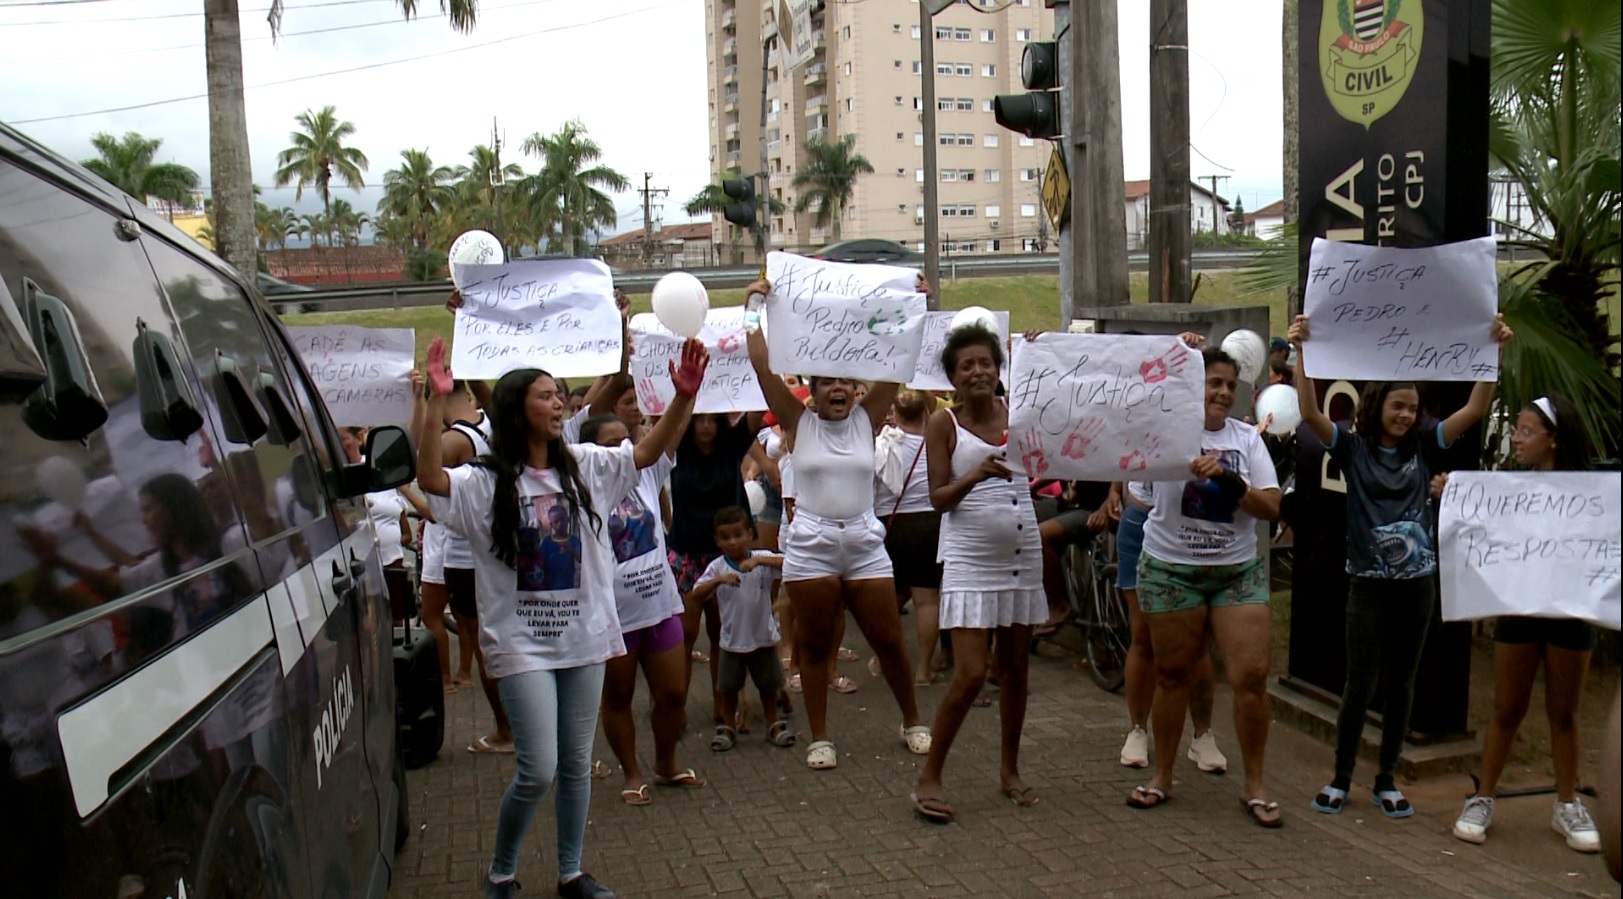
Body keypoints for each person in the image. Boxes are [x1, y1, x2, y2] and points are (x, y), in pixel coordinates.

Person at [417, 335, 708, 899]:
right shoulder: (485, 480)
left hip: (585, 638)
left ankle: (570, 873)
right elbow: (430, 480)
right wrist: (435, 400)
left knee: (576, 766)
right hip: (521, 645)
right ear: (515, 408)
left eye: (561, 396)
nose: (558, 404)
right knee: (539, 769)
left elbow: (644, 455)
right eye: (546, 395)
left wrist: (683, 398)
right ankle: (501, 872)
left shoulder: (586, 466)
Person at [1291, 312, 1513, 820]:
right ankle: (1341, 777)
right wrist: (1301, 348)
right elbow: (1308, 409)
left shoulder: (1428, 446)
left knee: (1402, 682)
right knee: (1359, 683)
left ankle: (1386, 780)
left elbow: (1476, 408)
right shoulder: (1351, 448)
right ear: (1377, 404)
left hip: (1417, 586)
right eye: (1398, 406)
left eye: (1413, 408)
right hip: (1366, 585)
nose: (1406, 416)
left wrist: (1492, 353)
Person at [744, 276, 932, 771]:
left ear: (855, 389)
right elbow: (762, 367)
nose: (837, 390)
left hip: (865, 542)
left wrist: (917, 301)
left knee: (889, 638)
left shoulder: (867, 418)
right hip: (811, 542)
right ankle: (820, 736)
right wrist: (752, 308)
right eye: (827, 382)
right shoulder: (796, 422)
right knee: (814, 641)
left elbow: (899, 357)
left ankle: (912, 720)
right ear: (814, 389)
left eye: (845, 382)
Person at [1126, 347, 1282, 827]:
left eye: (1230, 386)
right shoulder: (1168, 431)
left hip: (1236, 571)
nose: (1222, 393)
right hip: (1172, 568)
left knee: (1251, 678)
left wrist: (1229, 480)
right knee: (1172, 674)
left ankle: (1255, 784)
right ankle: (1163, 776)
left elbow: (1271, 508)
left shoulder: (1247, 441)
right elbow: (1139, 491)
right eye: (1213, 382)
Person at [1448, 394, 1601, 852]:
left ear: (1553, 441)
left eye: (1527, 431)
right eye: (1516, 429)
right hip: (1518, 608)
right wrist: (1449, 495)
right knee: (1506, 709)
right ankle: (1483, 797)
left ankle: (1567, 803)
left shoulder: (1594, 495)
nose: (1516, 437)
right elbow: (1479, 525)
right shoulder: (1507, 488)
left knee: (1565, 713)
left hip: (1570, 613)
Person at [910, 324, 1043, 820]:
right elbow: (937, 499)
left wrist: (1039, 348)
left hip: (1021, 552)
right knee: (969, 674)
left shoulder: (1022, 412)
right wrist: (975, 475)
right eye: (966, 365)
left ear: (999, 368)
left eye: (985, 362)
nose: (978, 371)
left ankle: (1010, 770)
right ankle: (930, 774)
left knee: (1016, 671)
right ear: (953, 378)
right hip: (969, 557)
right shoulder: (944, 424)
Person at [577, 414, 705, 804]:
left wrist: (688, 395)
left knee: (673, 694)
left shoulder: (646, 472)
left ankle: (666, 762)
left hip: (660, 607)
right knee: (618, 697)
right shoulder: (581, 486)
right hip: (612, 616)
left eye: (625, 440)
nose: (621, 449)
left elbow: (674, 430)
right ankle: (631, 771)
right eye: (609, 443)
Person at [691, 506, 796, 752]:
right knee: (729, 687)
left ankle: (773, 722)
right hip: (732, 641)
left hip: (763, 638)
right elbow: (696, 594)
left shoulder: (760, 559)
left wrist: (759, 560)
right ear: (717, 541)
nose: (733, 542)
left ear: (750, 534)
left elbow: (790, 563)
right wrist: (718, 581)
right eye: (725, 537)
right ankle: (728, 724)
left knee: (769, 684)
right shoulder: (717, 567)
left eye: (738, 535)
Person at [874, 390, 943, 685]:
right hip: (929, 522)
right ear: (926, 414)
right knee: (926, 600)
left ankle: (882, 659)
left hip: (889, 525)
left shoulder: (882, 445)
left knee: (887, 599)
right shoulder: (937, 446)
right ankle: (923, 670)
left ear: (896, 415)